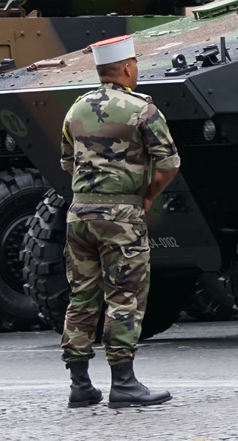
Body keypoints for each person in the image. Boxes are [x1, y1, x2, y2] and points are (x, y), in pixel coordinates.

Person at [57, 34, 178, 408]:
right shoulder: (142, 109)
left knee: (82, 296)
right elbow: (169, 163)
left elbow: (66, 162)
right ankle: (123, 382)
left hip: (79, 215)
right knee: (124, 297)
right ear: (127, 67)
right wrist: (146, 196)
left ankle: (80, 384)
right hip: (121, 217)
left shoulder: (75, 110)